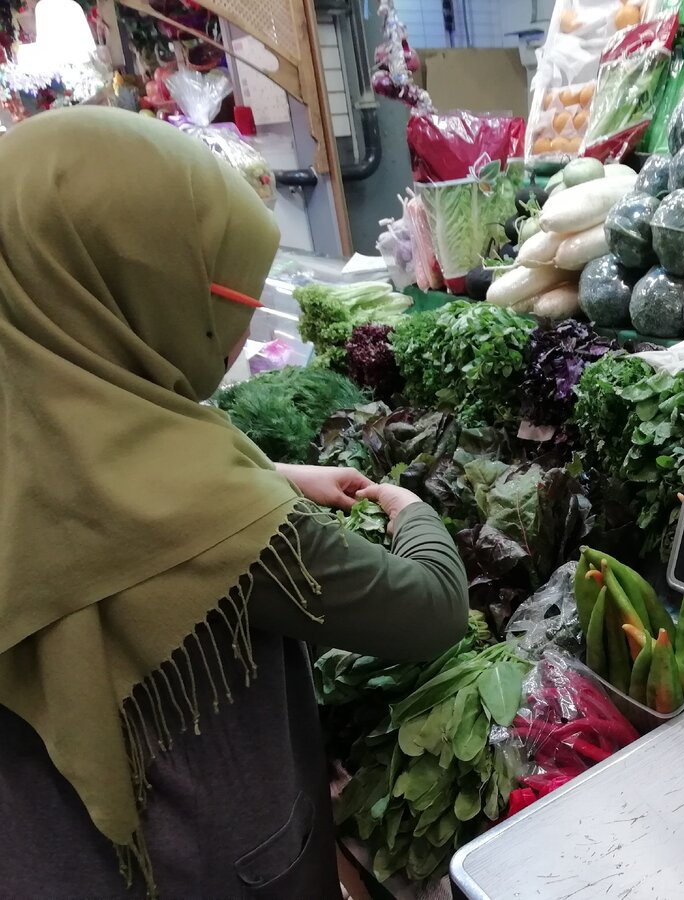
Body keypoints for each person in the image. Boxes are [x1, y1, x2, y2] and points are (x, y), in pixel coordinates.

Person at [0, 108, 469, 898]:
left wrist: (277, 472)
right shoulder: (223, 526)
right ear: (133, 290)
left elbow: (107, 497)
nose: (231, 342)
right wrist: (408, 507)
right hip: (208, 864)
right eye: (219, 306)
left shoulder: (36, 419)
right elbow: (430, 608)